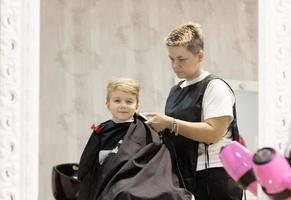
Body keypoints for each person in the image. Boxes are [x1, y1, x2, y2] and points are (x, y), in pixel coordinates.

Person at [145, 22, 243, 200]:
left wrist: (170, 123)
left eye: (181, 59)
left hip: (216, 175)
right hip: (185, 175)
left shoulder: (215, 87)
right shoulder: (176, 91)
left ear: (200, 55)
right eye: (171, 59)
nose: (175, 65)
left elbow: (214, 133)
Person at [77, 77, 140, 199]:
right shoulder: (101, 131)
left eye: (129, 102)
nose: (123, 106)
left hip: (132, 188)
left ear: (137, 105)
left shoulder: (142, 131)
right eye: (117, 100)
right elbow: (87, 163)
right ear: (108, 104)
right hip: (103, 187)